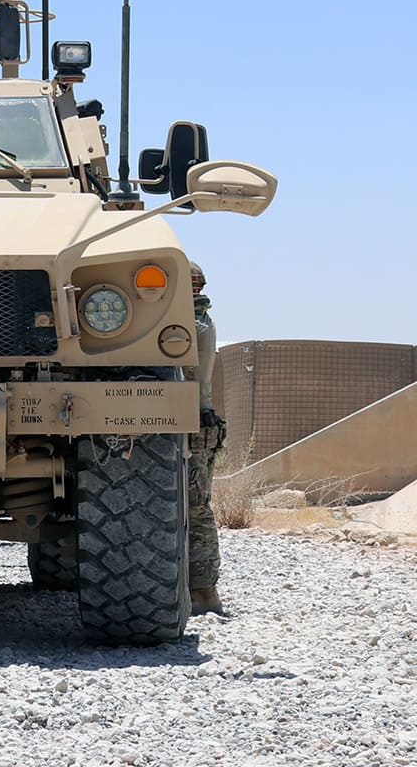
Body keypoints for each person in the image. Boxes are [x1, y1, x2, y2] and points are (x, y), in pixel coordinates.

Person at [187, 261, 226, 615]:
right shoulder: (198, 319)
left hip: (194, 428)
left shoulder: (196, 323)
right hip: (194, 426)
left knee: (194, 509)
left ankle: (203, 592)